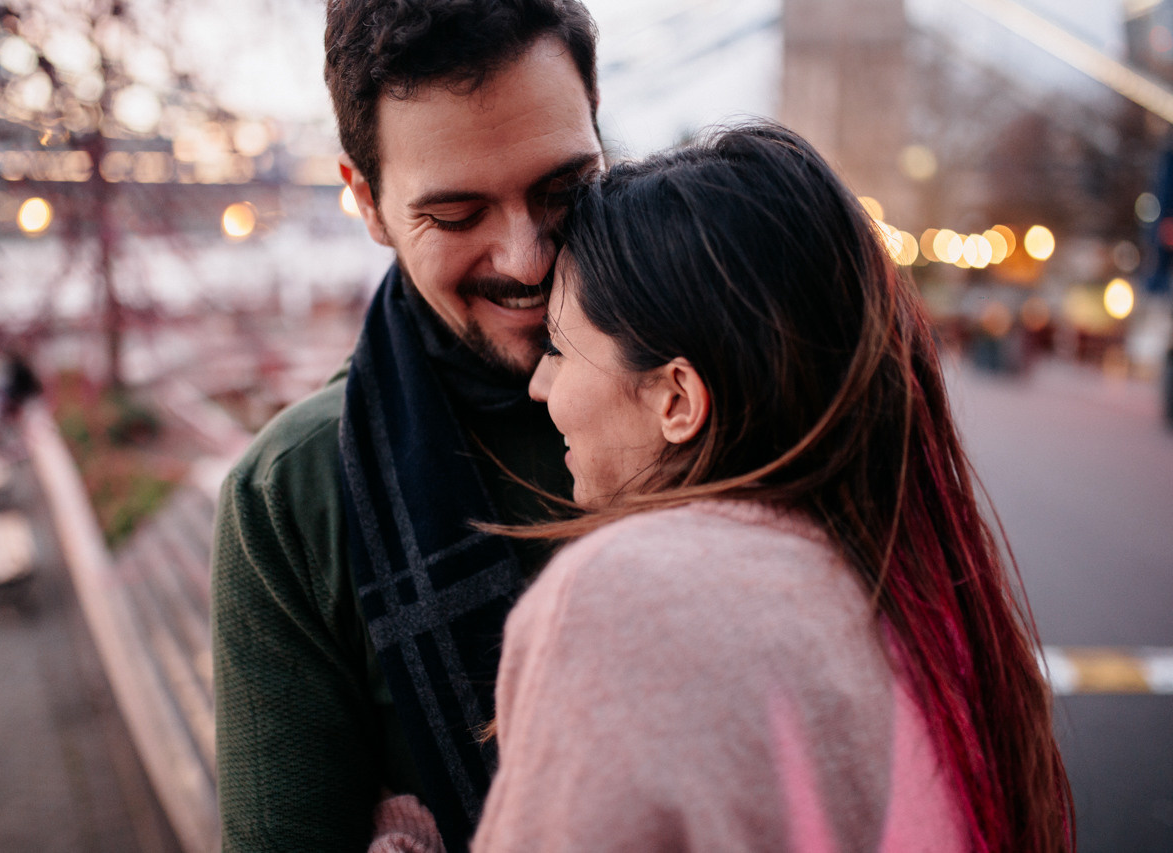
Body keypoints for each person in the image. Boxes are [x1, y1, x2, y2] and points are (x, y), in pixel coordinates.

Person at [374, 123, 1075, 851]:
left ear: (677, 397)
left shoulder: (621, 596)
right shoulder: (927, 597)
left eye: (559, 346)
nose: (540, 382)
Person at [210, 1, 604, 850]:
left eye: (564, 189)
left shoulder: (743, 374)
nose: (527, 259)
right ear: (368, 202)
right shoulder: (294, 494)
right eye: (457, 216)